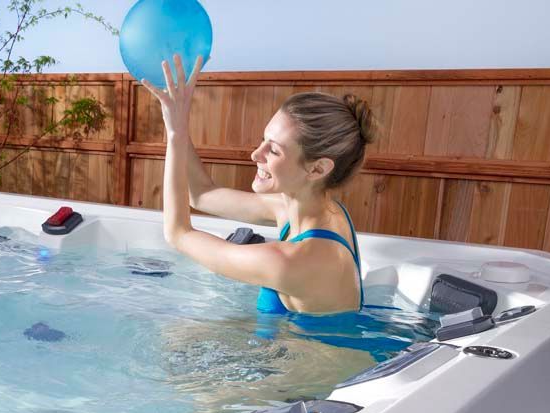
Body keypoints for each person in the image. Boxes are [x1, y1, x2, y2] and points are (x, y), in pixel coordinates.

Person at [142, 55, 378, 315]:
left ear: (318, 168)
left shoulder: (294, 261)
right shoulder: (313, 211)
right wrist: (179, 124)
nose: (256, 154)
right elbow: (201, 194)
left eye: (273, 151)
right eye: (263, 140)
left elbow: (177, 234)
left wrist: (174, 134)